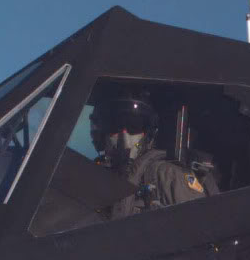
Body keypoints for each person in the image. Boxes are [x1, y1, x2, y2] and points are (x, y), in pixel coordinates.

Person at [88, 89, 207, 219]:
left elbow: (202, 229)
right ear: (101, 135)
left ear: (149, 135)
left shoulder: (168, 177)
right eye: (114, 126)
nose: (125, 138)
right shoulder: (95, 180)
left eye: (134, 127)